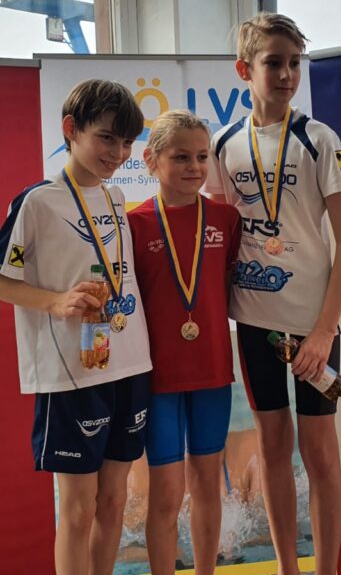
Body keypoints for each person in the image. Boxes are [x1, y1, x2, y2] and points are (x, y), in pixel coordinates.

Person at [205, 12, 341, 575]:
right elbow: (217, 232)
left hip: (313, 323)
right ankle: (288, 569)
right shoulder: (223, 144)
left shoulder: (319, 139)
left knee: (319, 450)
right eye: (274, 63)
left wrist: (324, 331)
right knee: (273, 443)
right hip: (254, 320)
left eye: (295, 63)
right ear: (244, 69)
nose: (287, 74)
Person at [0, 79, 151, 575]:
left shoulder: (116, 198)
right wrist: (53, 302)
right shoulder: (37, 201)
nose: (118, 153)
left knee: (115, 502)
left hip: (129, 363)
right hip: (72, 374)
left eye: (126, 142)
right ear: (71, 129)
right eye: (106, 138)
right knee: (77, 510)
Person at [128, 110, 242, 575]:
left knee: (209, 485)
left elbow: (227, 284)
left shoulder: (226, 218)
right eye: (180, 157)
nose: (194, 167)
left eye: (201, 156)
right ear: (151, 160)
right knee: (166, 494)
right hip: (158, 380)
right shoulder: (134, 225)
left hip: (212, 373)